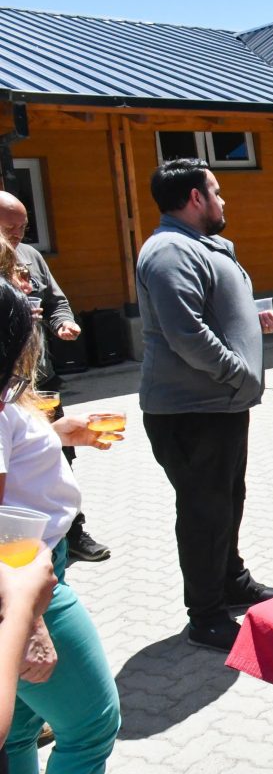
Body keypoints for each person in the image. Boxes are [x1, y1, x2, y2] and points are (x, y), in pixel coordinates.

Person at [137, 157, 273, 652]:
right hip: (190, 410)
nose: (224, 200)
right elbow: (184, 333)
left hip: (217, 405)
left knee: (227, 500)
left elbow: (209, 314)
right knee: (203, 510)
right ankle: (205, 615)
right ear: (195, 198)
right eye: (217, 191)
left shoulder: (197, 245)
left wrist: (248, 325)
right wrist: (236, 369)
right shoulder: (169, 251)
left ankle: (230, 581)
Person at [0, 278, 121, 771]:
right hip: (26, 582)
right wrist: (26, 622)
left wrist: (50, 435)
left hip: (36, 572)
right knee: (92, 725)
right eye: (27, 317)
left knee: (21, 729)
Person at [0, 192, 108, 564]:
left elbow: (57, 300)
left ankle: (71, 531)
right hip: (7, 383)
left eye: (23, 226)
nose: (18, 233)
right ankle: (24, 545)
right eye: (10, 226)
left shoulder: (31, 256)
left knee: (58, 454)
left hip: (40, 381)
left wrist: (63, 321)